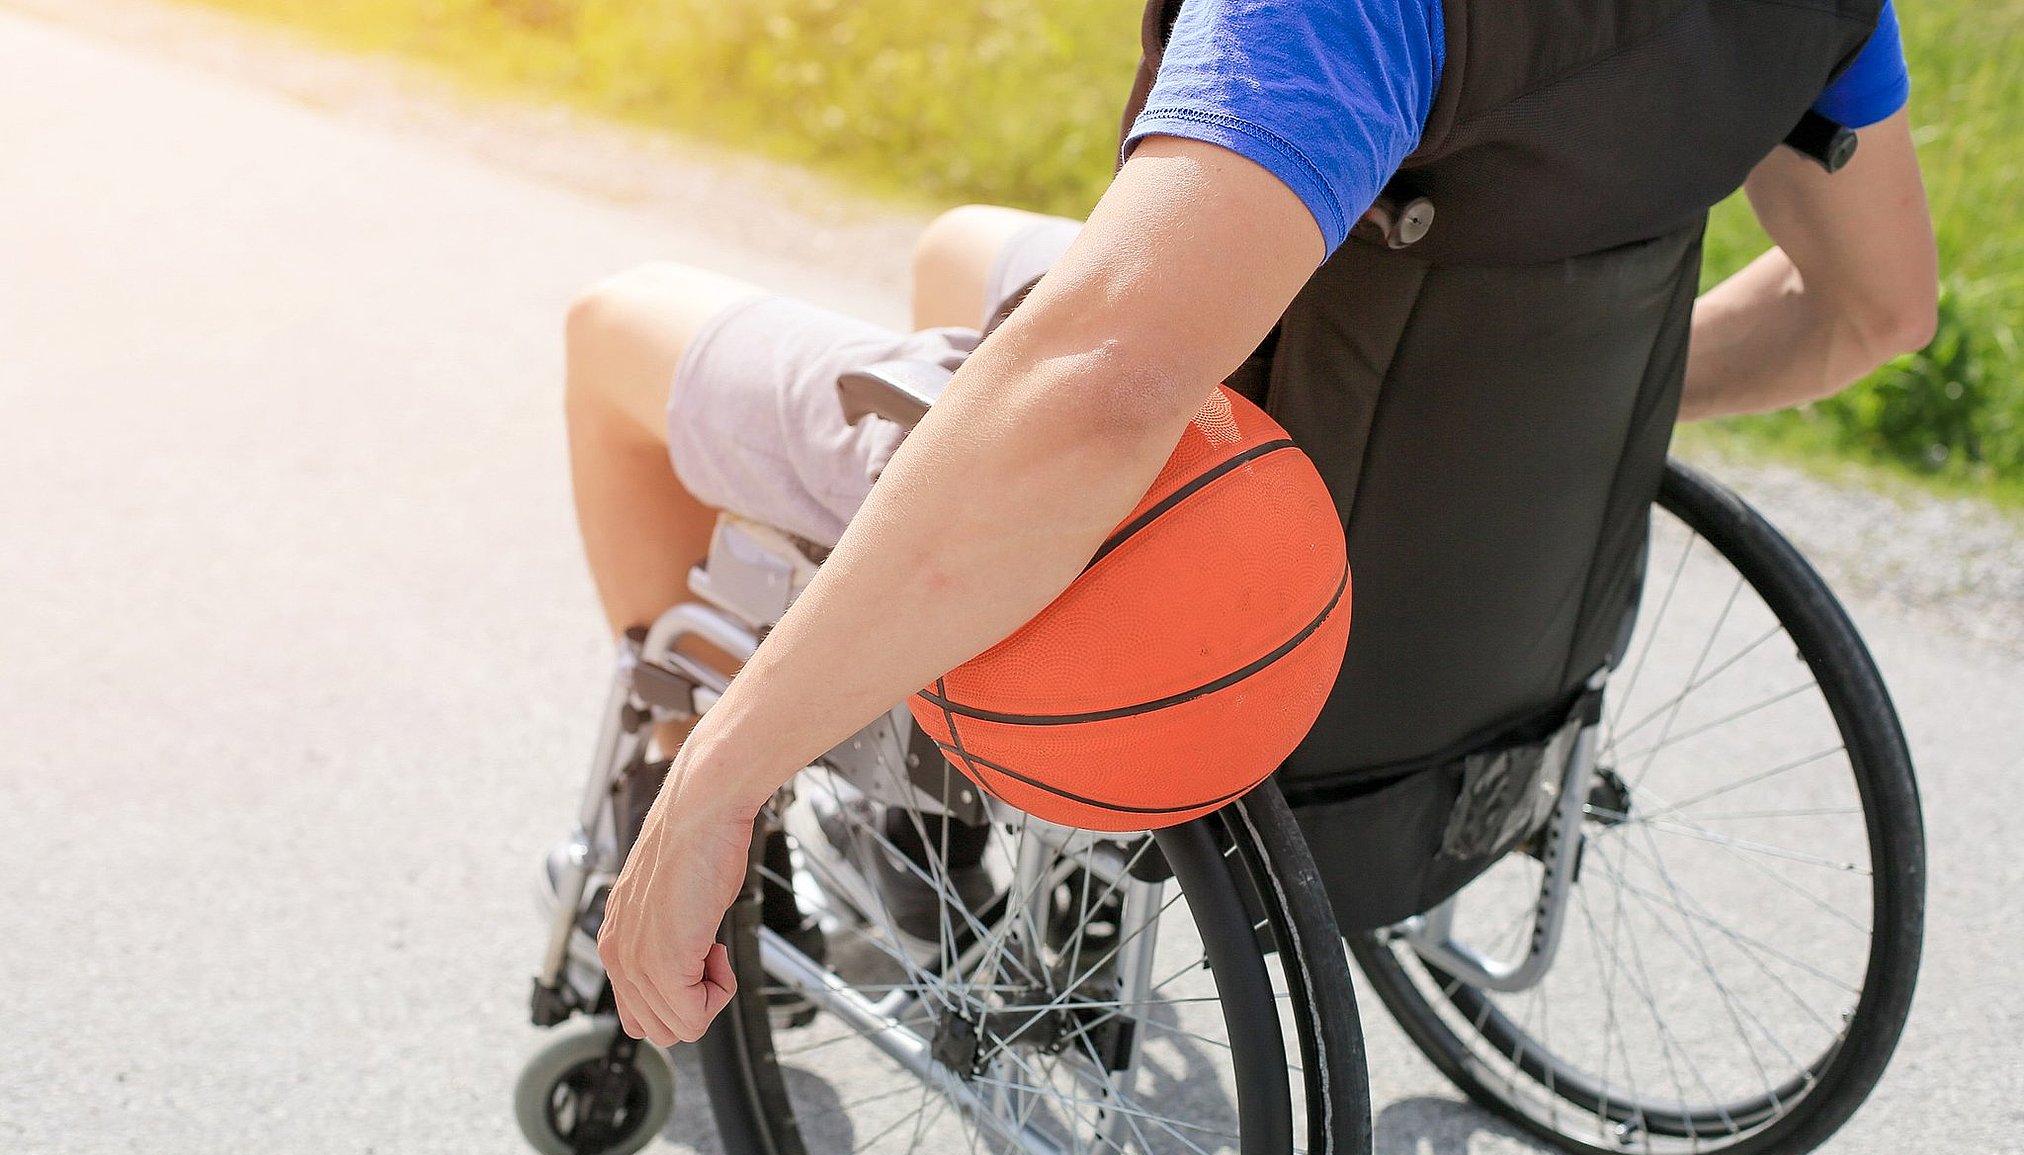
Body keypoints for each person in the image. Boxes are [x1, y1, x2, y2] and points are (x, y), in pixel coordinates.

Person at [567, 0, 1938, 1047]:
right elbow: (1875, 313)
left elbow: (1098, 401)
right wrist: (1541, 406)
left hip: (1218, 591)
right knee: (964, 245)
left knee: (612, 328)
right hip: (1465, 629)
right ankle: (930, 838)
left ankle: (680, 801)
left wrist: (719, 789)